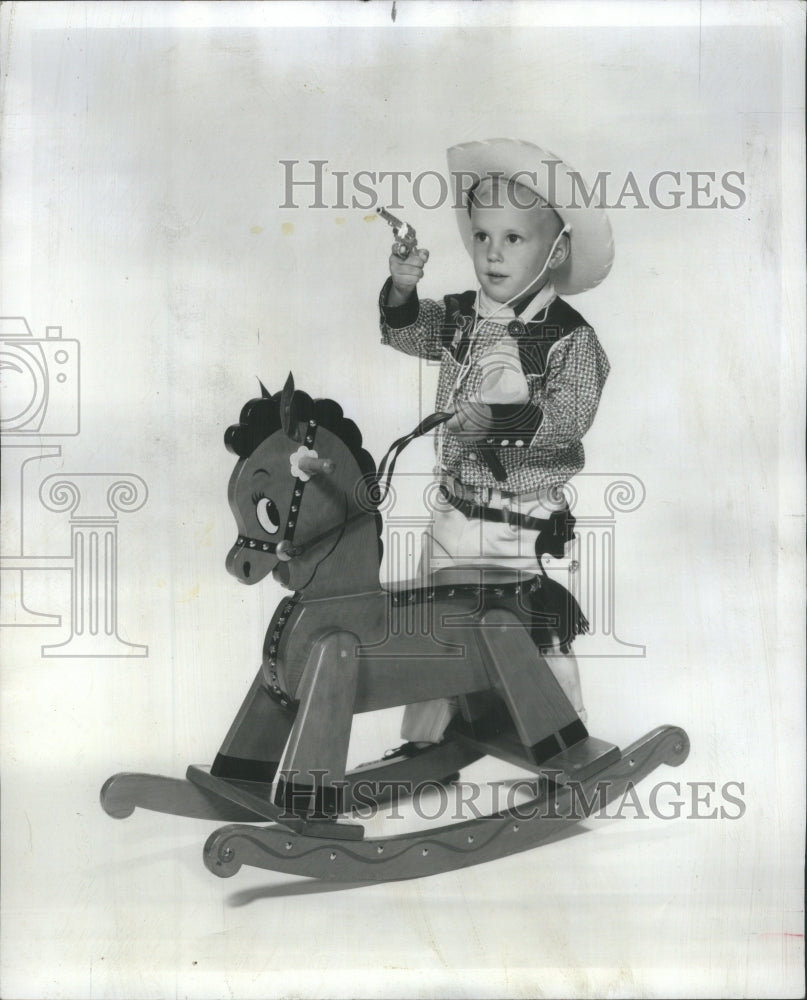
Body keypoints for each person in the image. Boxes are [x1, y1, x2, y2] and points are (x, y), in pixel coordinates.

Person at [378, 138, 614, 748]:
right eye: (483, 236)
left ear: (556, 249)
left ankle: (564, 744)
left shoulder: (569, 339)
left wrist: (497, 425)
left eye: (514, 239)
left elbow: (568, 418)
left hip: (519, 521)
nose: (492, 254)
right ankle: (427, 741)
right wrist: (402, 290)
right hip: (453, 510)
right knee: (435, 625)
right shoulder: (459, 317)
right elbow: (409, 334)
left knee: (530, 635)